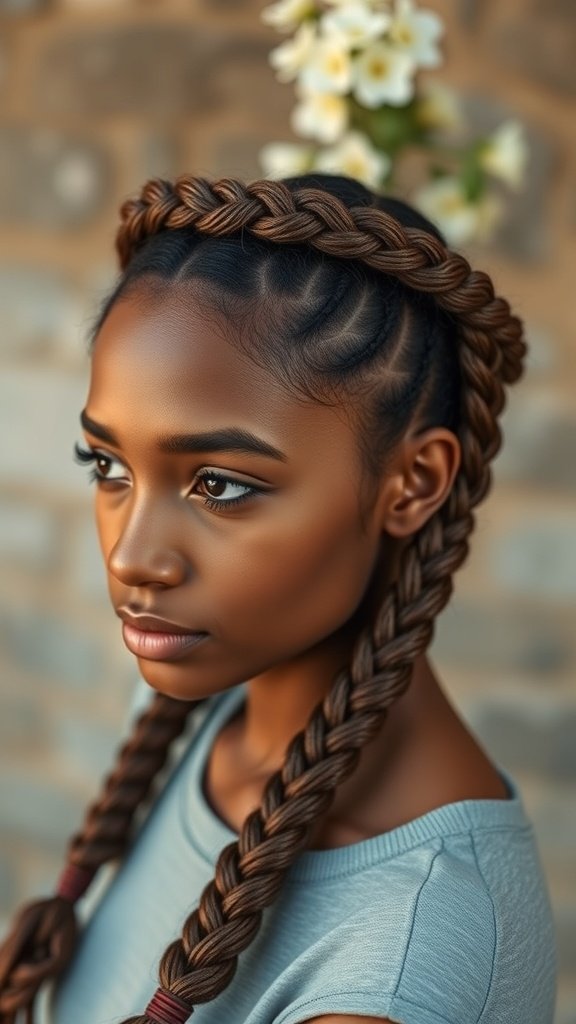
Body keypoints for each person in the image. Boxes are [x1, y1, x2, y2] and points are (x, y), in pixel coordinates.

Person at [0, 173, 556, 1024]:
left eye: (220, 484)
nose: (132, 559)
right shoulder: (193, 712)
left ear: (414, 482)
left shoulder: (408, 963)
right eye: (108, 466)